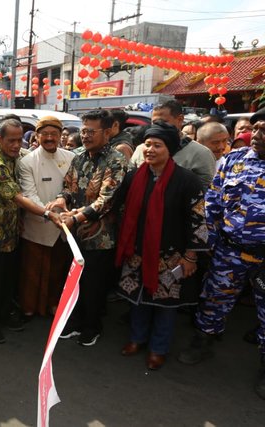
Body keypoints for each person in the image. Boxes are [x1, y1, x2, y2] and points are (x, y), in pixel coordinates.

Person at [178, 107, 265, 399]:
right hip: (229, 251)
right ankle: (203, 341)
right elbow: (213, 204)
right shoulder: (233, 160)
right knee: (214, 299)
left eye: (263, 131)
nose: (256, 136)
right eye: (255, 129)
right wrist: (207, 245)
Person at [116, 121, 207, 370]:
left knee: (166, 306)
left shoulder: (188, 181)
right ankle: (137, 338)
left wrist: (190, 257)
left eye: (157, 145)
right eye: (147, 144)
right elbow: (119, 208)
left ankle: (158, 348)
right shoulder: (134, 177)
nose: (150, 150)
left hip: (170, 256)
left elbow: (199, 221)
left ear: (171, 150)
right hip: (136, 252)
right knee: (138, 300)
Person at [0, 119, 62, 344]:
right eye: (11, 140)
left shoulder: (18, 157)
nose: (16, 145)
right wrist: (47, 214)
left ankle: (3, 315)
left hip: (11, 233)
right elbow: (18, 198)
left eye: (19, 139)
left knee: (6, 281)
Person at [52, 110, 128, 346]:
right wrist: (61, 199)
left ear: (107, 132)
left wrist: (76, 218)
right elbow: (69, 186)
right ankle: (74, 321)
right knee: (73, 280)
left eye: (90, 131)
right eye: (83, 131)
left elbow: (107, 199)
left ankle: (92, 326)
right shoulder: (78, 157)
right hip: (74, 234)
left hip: (100, 235)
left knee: (94, 285)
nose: (85, 136)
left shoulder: (116, 160)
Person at [17, 116, 75, 318]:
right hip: (37, 224)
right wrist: (49, 214)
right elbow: (29, 194)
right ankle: (29, 308)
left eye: (54, 134)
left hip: (64, 226)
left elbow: (73, 188)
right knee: (32, 272)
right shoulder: (27, 162)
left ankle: (53, 305)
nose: (50, 138)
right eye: (45, 134)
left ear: (61, 136)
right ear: (37, 136)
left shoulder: (71, 157)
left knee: (58, 270)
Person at [130, 101, 217, 189]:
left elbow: (205, 190)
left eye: (163, 122)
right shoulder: (142, 149)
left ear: (180, 120)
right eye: (155, 123)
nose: (159, 126)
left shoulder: (201, 153)